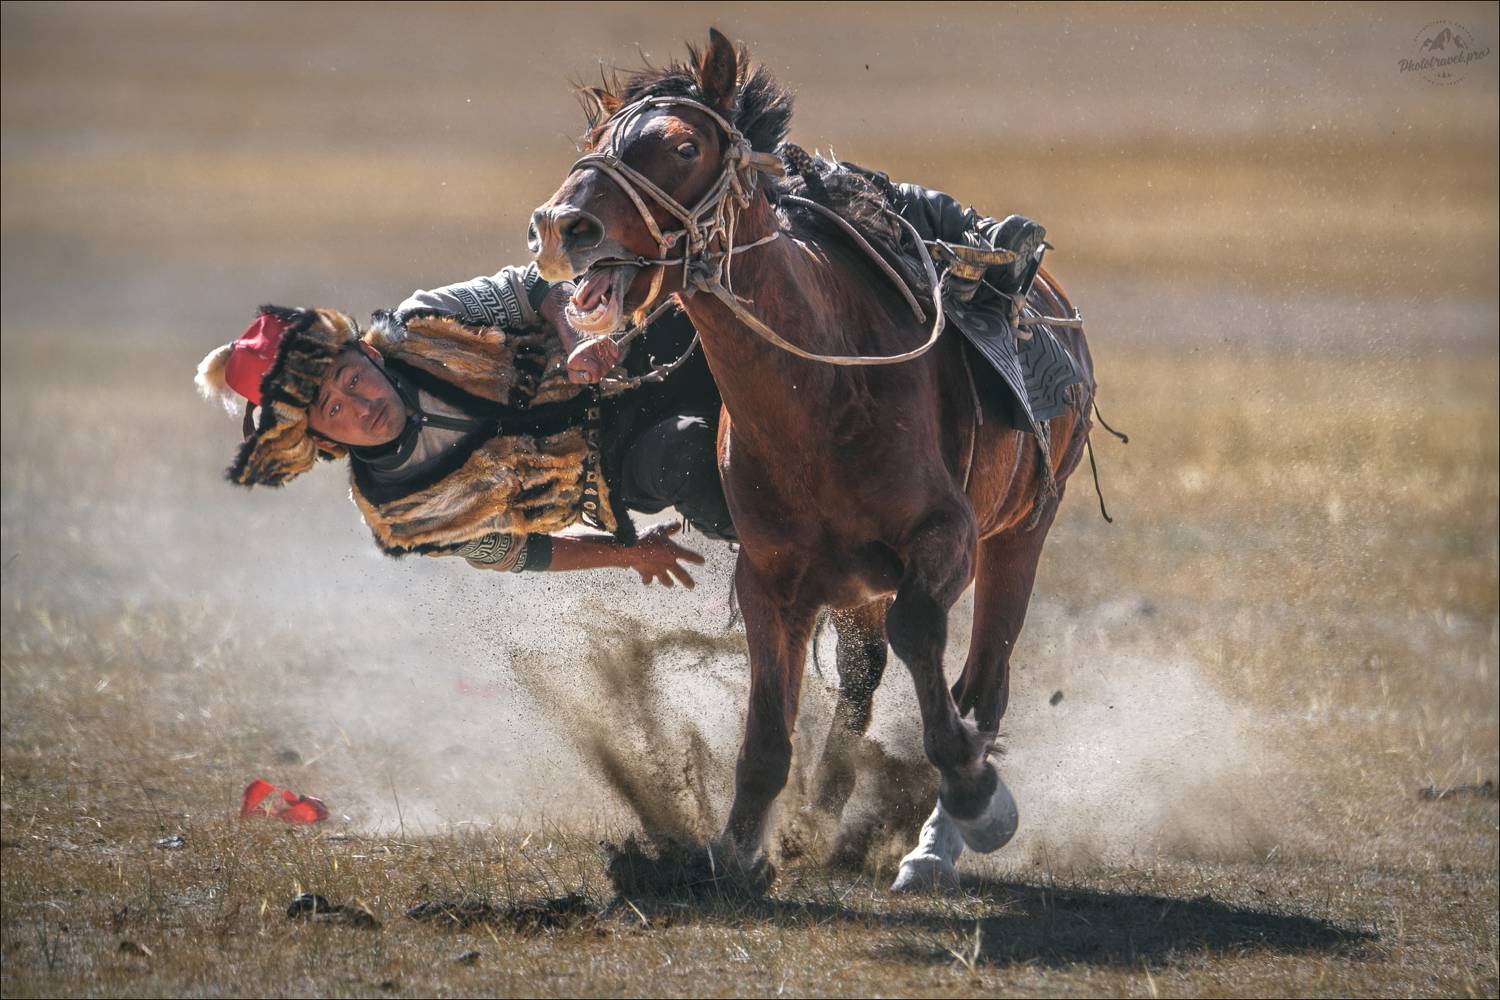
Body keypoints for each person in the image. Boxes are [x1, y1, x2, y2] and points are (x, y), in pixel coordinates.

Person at [196, 264, 727, 586]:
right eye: (332, 409)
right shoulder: (399, 508)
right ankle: (796, 566)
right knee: (687, 454)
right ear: (320, 439)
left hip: (635, 352)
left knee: (733, 313)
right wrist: (630, 554)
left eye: (349, 378)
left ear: (366, 353)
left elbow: (533, 284)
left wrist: (575, 340)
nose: (360, 407)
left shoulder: (419, 324)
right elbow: (517, 553)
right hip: (624, 463)